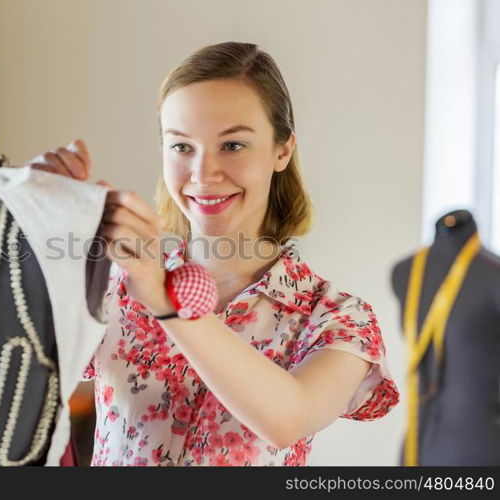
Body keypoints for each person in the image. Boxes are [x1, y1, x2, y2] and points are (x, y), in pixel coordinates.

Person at [34, 41, 399, 466]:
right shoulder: (115, 288)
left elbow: (287, 419)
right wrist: (29, 217)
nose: (204, 173)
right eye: (182, 146)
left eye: (233, 145)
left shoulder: (336, 318)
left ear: (282, 150)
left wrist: (165, 302)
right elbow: (3, 368)